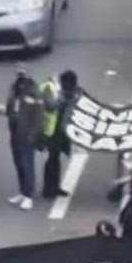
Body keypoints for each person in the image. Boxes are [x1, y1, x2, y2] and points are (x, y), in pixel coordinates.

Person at [4, 72, 45, 209]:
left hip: (27, 135)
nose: (20, 84)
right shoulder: (15, 93)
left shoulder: (34, 95)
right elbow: (9, 109)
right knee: (19, 163)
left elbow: (39, 118)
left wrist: (33, 135)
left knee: (27, 164)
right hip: (15, 133)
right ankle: (22, 192)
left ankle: (29, 196)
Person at [39, 70, 80, 200]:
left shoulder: (70, 92)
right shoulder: (54, 91)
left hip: (60, 131)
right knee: (52, 160)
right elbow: (51, 107)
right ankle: (48, 189)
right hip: (51, 131)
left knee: (55, 160)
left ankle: (54, 187)